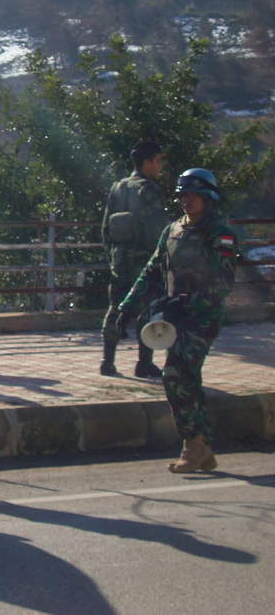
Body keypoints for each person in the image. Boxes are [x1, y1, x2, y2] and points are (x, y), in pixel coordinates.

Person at [117, 168, 237, 473]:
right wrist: (127, 308)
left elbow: (223, 284)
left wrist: (187, 304)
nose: (187, 201)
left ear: (208, 199)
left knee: (174, 374)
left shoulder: (220, 234)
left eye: (194, 195)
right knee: (189, 380)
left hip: (202, 318)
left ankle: (192, 444)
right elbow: (151, 270)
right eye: (183, 195)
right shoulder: (171, 231)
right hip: (173, 319)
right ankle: (204, 448)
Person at [100, 141, 169, 377]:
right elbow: (158, 229)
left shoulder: (119, 187)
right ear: (146, 163)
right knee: (148, 310)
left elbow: (106, 227)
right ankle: (144, 363)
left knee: (115, 308)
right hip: (144, 261)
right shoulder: (150, 189)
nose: (160, 165)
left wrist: (113, 256)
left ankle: (107, 361)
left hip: (121, 260)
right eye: (158, 160)